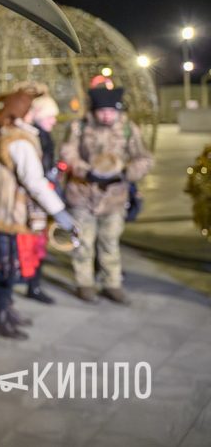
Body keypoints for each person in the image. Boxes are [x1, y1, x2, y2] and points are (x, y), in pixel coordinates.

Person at [0, 90, 76, 340]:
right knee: (6, 268)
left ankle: (7, 311)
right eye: (31, 109)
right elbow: (34, 182)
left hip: (5, 212)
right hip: (11, 214)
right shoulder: (20, 141)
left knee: (6, 266)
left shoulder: (9, 135)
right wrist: (60, 212)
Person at [61, 84, 153, 304]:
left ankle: (112, 284)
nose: (106, 115)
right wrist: (86, 171)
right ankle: (85, 283)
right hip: (83, 194)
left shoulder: (128, 128)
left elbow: (145, 158)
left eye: (111, 111)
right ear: (94, 110)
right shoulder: (79, 127)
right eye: (102, 111)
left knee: (110, 242)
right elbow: (67, 152)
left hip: (114, 197)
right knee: (83, 242)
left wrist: (125, 173)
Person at [22, 93, 60, 304]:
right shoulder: (33, 138)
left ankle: (33, 283)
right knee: (30, 244)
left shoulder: (44, 136)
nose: (53, 121)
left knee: (37, 244)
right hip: (33, 201)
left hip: (42, 197)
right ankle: (31, 285)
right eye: (49, 116)